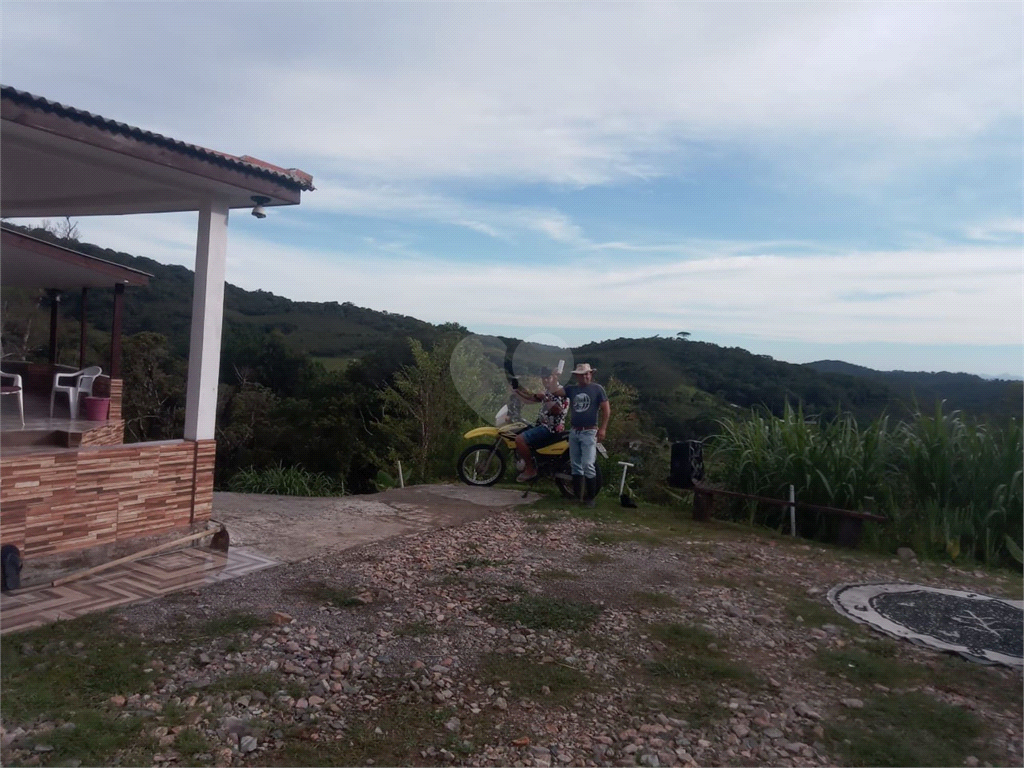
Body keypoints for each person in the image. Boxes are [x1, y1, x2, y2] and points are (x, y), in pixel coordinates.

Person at [553, 363, 610, 506]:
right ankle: (578, 496)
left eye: (587, 373)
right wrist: (555, 377)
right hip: (575, 430)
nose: (586, 376)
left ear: (591, 374)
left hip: (589, 431)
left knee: (588, 464)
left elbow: (606, 409)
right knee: (576, 464)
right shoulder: (572, 389)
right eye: (582, 374)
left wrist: (603, 428)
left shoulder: (597, 389)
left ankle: (590, 497)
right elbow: (555, 392)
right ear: (577, 376)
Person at [511, 368, 569, 482]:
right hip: (542, 425)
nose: (546, 380)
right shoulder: (548, 391)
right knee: (522, 430)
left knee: (519, 439)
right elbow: (531, 399)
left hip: (550, 429)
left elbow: (557, 410)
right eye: (543, 378)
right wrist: (517, 392)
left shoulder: (559, 391)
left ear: (553, 377)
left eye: (548, 377)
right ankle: (536, 462)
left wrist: (545, 398)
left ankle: (530, 470)